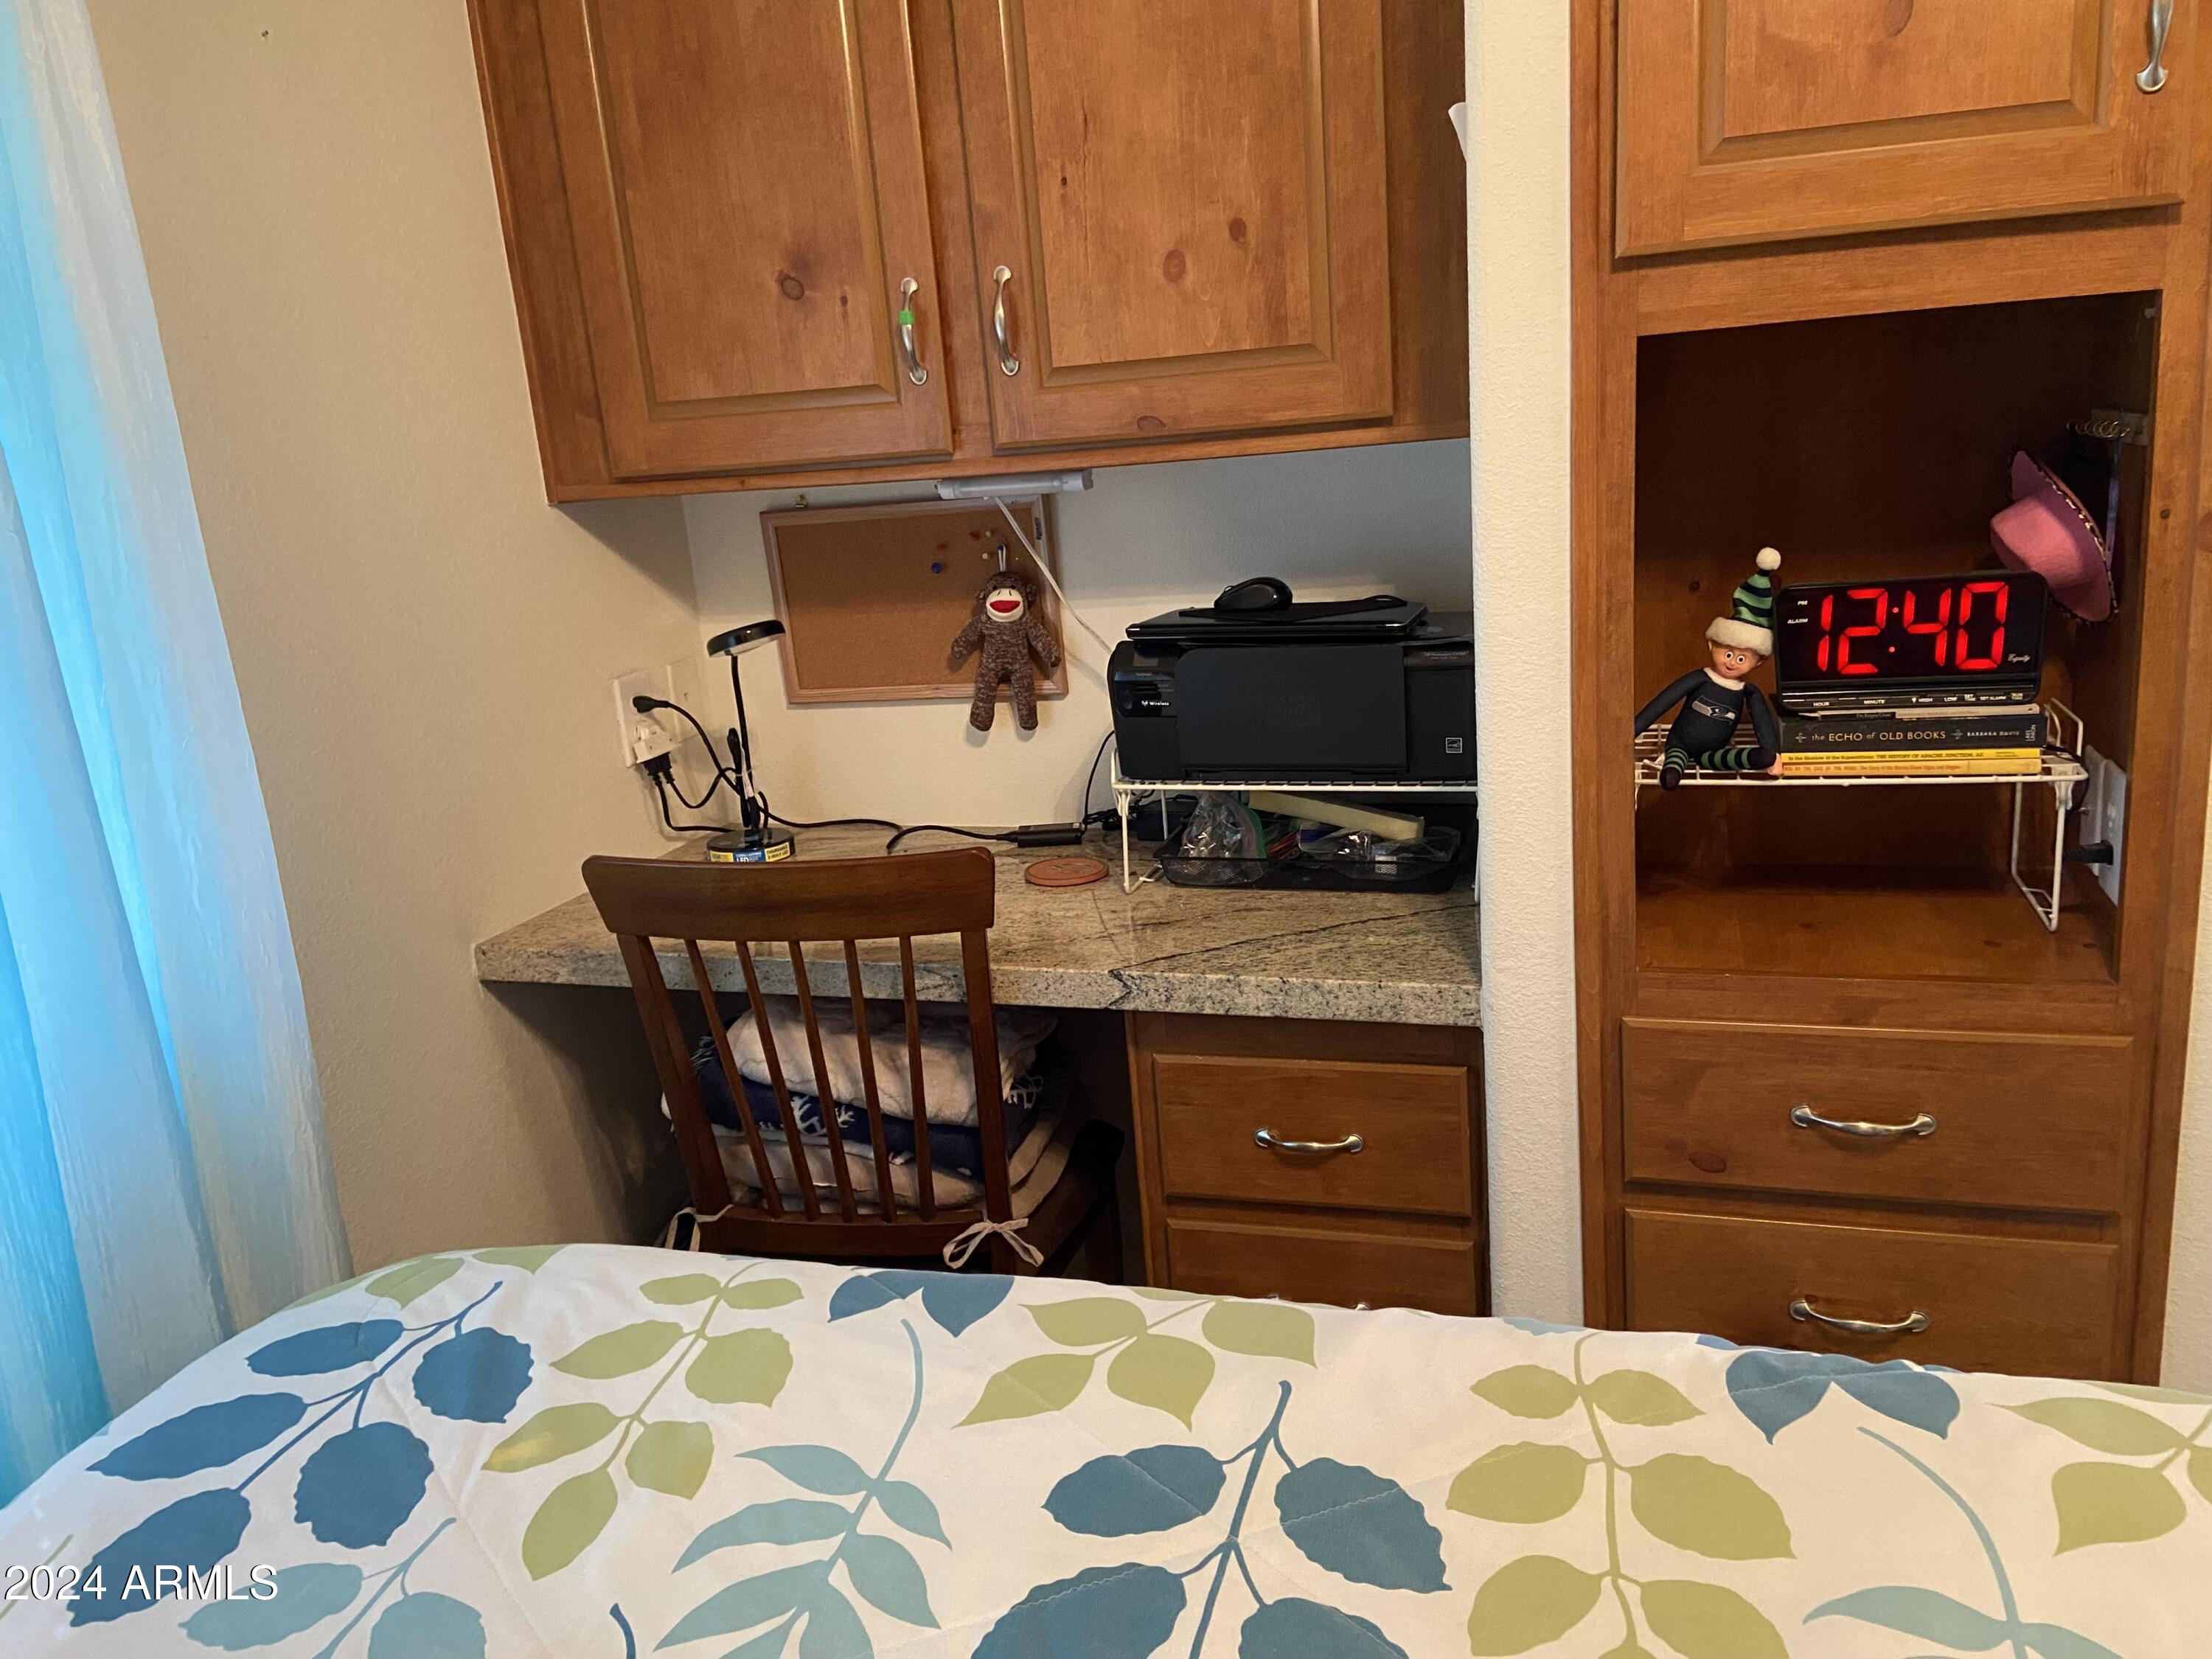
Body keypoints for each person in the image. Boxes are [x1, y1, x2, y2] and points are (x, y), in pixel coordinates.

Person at [1635, 547, 1785, 790]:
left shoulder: (1748, 692)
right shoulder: (1700, 679)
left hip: (1714, 753)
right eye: (1727, 654)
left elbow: (1763, 722)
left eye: (1741, 659)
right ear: (1711, 645)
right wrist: (1633, 730)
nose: (1731, 662)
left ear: (1758, 662)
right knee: (1675, 761)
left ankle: (1759, 759)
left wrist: (1773, 754)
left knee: (1746, 757)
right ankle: (1674, 766)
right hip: (1680, 744)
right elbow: (1664, 701)